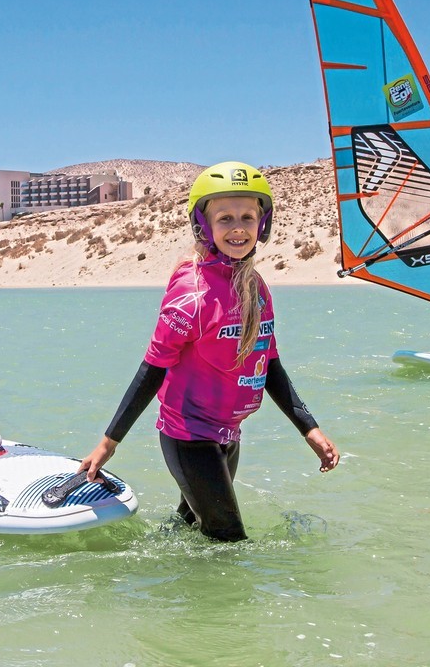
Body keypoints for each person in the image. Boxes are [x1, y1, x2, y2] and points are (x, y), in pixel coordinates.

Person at [77, 161, 340, 542]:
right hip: (189, 437)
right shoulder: (192, 293)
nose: (238, 228)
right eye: (225, 218)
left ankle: (159, 577)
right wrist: (109, 442)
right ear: (204, 224)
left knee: (189, 530)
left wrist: (309, 429)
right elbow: (152, 369)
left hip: (228, 434)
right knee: (230, 542)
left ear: (261, 224)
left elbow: (269, 364)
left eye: (248, 217)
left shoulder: (257, 288)